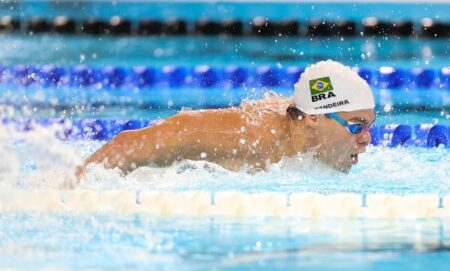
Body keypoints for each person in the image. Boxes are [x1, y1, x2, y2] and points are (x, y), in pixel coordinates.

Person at [76, 60, 375, 177]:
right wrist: (73, 187)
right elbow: (127, 143)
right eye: (356, 125)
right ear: (313, 118)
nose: (366, 139)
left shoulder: (309, 126)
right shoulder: (254, 138)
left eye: (370, 126)